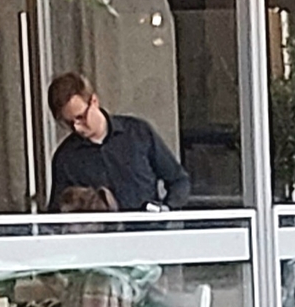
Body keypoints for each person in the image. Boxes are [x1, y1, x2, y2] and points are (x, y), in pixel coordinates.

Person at [45, 72, 190, 212]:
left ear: (94, 101)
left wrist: (167, 209)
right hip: (99, 236)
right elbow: (57, 213)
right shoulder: (66, 158)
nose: (77, 127)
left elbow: (178, 180)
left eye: (81, 117)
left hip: (147, 233)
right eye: (68, 123)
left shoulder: (138, 133)